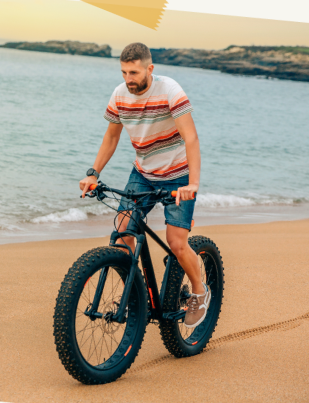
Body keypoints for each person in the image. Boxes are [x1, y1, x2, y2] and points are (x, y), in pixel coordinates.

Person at [79, 42, 210, 328]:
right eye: (125, 72)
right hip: (143, 173)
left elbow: (191, 139)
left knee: (176, 242)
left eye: (134, 72)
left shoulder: (170, 91)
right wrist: (93, 173)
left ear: (149, 69)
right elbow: (111, 138)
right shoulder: (119, 95)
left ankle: (200, 291)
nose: (129, 79)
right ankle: (135, 293)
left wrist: (194, 183)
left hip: (178, 175)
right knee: (124, 232)